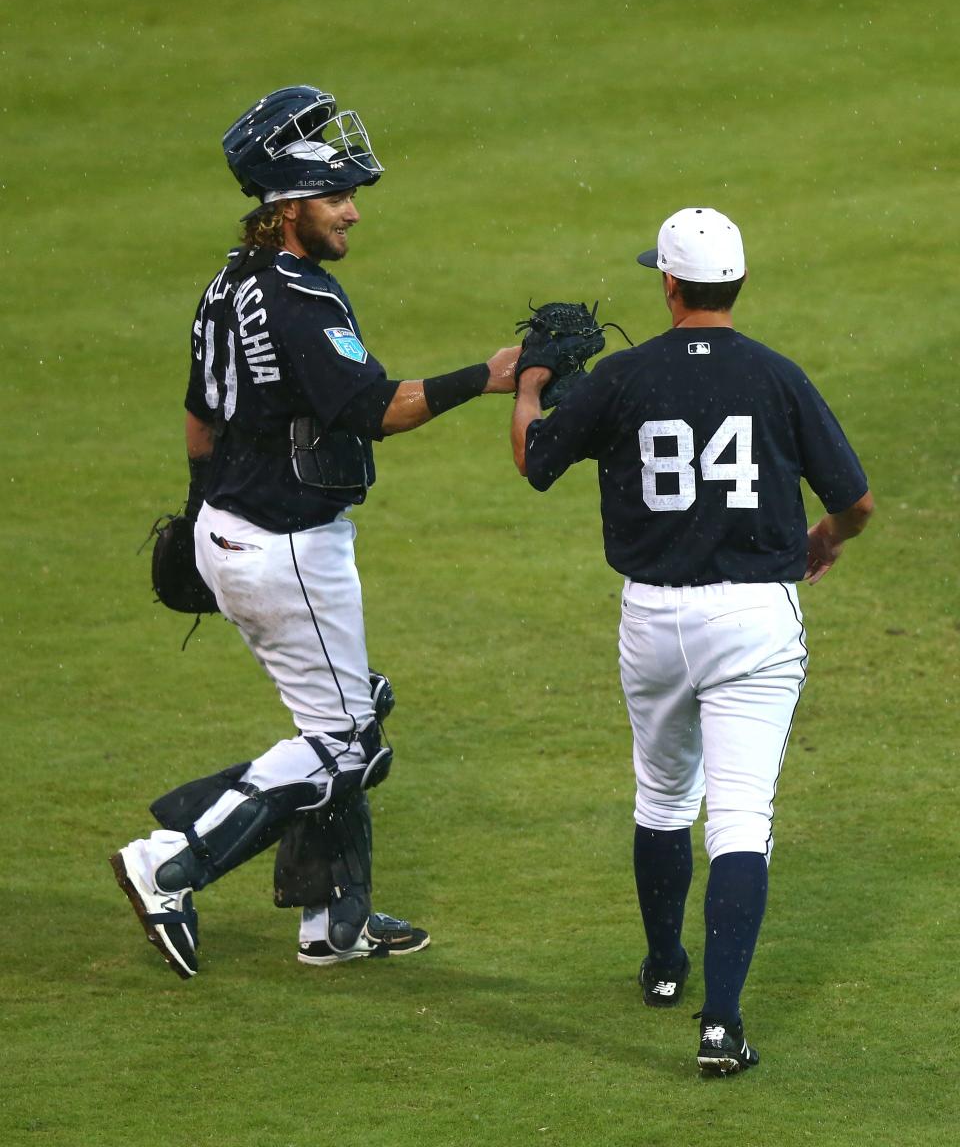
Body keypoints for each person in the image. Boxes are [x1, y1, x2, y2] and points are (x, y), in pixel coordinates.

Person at [110, 85, 519, 980]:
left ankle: (337, 920)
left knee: (347, 714)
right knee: (344, 747)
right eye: (337, 196)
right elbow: (378, 410)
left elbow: (198, 415)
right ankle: (168, 863)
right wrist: (488, 378)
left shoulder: (230, 281)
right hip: (287, 549)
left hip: (233, 528)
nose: (353, 212)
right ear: (289, 207)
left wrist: (197, 513)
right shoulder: (302, 300)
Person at [510, 207, 873, 1075]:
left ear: (668, 284)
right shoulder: (779, 377)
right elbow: (855, 500)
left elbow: (535, 461)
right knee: (741, 819)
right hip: (753, 619)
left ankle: (664, 967)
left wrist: (528, 382)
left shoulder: (625, 376)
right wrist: (824, 537)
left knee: (664, 796)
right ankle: (721, 1026)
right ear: (736, 283)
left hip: (653, 617)